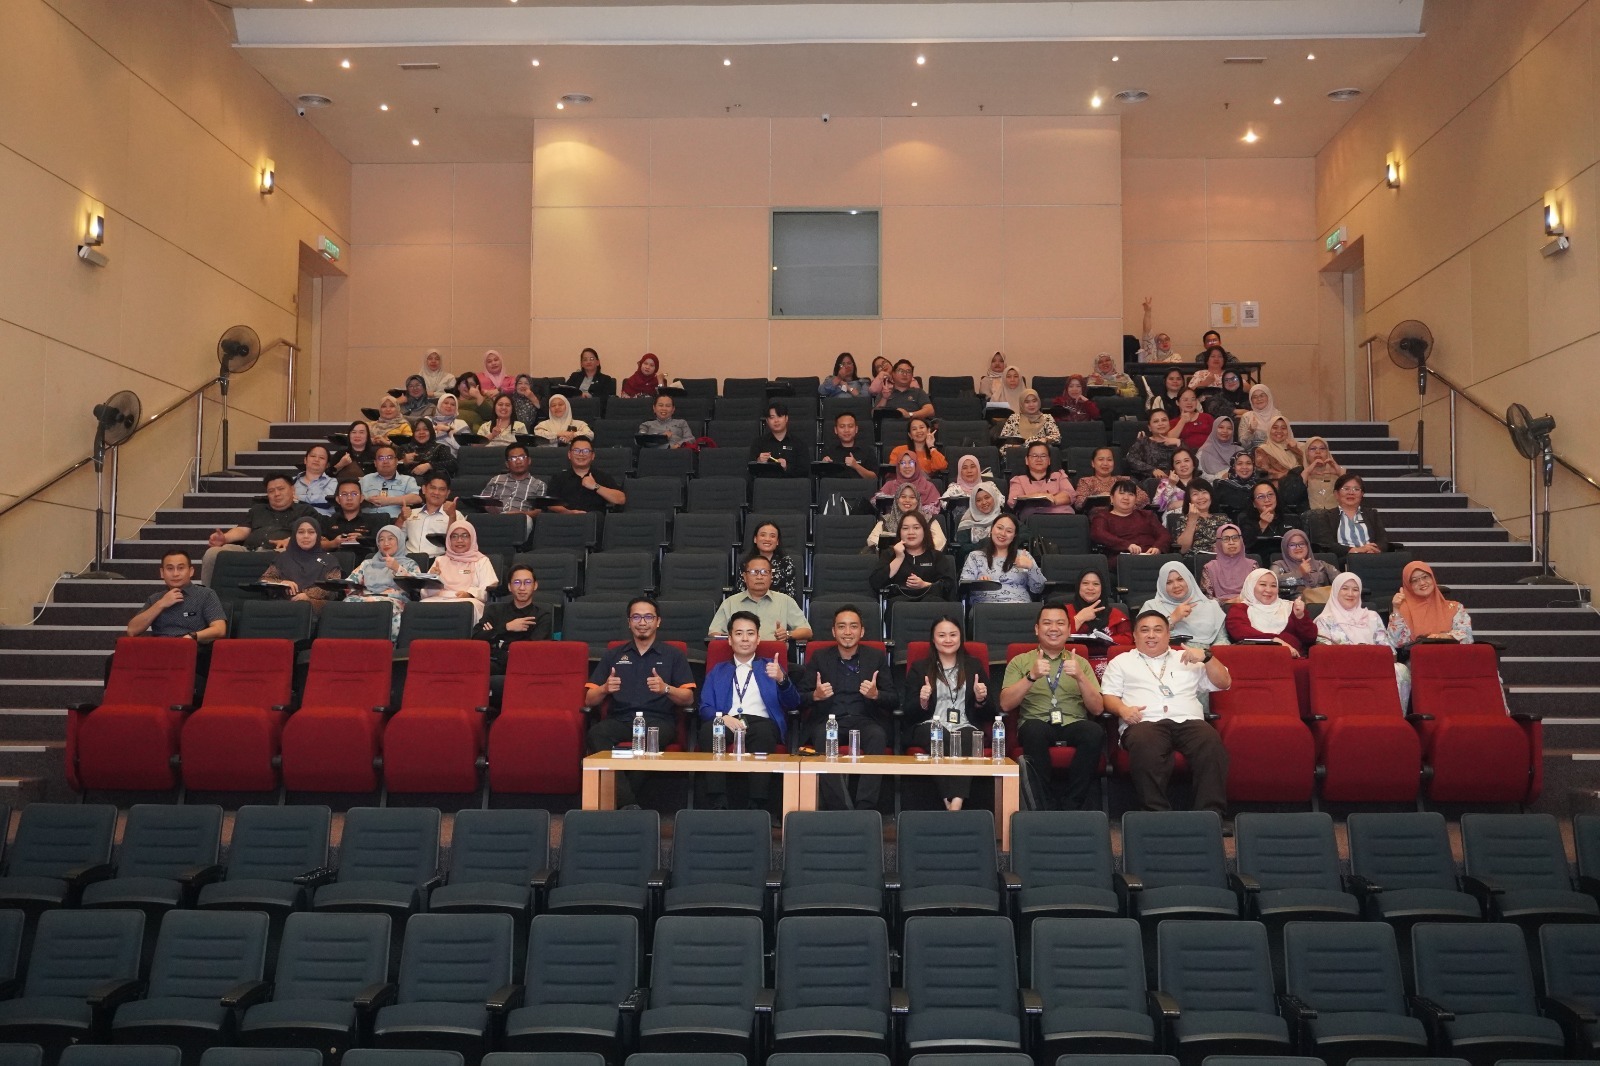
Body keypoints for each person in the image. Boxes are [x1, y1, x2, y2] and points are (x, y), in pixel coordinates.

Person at [1100, 611, 1232, 814]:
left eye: (1158, 630)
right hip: (1145, 722)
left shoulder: (1187, 657)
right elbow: (1108, 696)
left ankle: (1210, 815)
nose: (1151, 635)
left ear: (1168, 634)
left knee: (1210, 742)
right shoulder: (1121, 662)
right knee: (1145, 743)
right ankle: (1156, 814)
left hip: (1188, 721)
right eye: (1144, 630)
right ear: (1134, 635)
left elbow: (1224, 682)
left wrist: (1207, 657)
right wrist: (1122, 709)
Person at [582, 597, 696, 807]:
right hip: (621, 719)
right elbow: (590, 698)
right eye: (636, 617)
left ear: (658, 621)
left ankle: (620, 803)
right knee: (596, 733)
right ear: (629, 622)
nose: (642, 622)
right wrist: (604, 688)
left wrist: (666, 688)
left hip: (658, 721)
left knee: (648, 739)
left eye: (648, 617)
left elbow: (688, 698)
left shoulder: (673, 655)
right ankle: (628, 804)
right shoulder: (614, 655)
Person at [1000, 603, 1106, 810]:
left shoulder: (1080, 663)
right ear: (1037, 629)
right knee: (1034, 730)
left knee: (1094, 731)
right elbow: (1005, 703)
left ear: (1069, 629)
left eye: (1060, 623)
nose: (1054, 628)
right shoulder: (1020, 661)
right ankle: (1043, 806)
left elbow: (1097, 709)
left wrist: (1081, 677)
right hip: (1037, 722)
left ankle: (1072, 805)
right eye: (1047, 623)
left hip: (1073, 723)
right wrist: (1031, 677)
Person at [697, 611, 800, 813]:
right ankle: (718, 802)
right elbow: (704, 707)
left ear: (758, 638)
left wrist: (782, 680)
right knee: (710, 731)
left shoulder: (771, 667)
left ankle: (758, 804)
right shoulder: (718, 670)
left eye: (750, 633)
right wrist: (722, 718)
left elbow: (794, 703)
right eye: (739, 633)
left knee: (763, 733)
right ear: (730, 639)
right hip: (727, 720)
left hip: (761, 722)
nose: (745, 639)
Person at [797, 605, 896, 810]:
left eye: (853, 626)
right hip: (829, 720)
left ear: (862, 631)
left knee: (877, 736)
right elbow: (799, 698)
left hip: (865, 720)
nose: (848, 632)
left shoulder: (875, 657)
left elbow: (894, 699)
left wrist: (876, 695)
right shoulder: (820, 657)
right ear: (834, 631)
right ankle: (840, 807)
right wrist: (815, 696)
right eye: (842, 627)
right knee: (823, 736)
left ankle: (865, 807)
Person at [908, 616, 997, 810]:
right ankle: (954, 799)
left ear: (960, 638)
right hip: (930, 724)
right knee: (940, 735)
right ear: (933, 639)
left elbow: (992, 711)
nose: (948, 640)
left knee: (967, 736)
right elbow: (907, 712)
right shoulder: (920, 668)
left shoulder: (973, 666)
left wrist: (981, 699)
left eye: (953, 635)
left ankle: (954, 801)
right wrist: (922, 701)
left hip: (965, 723)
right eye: (942, 635)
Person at [201, 472, 321, 587]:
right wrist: (225, 538)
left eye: (281, 489)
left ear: (292, 489)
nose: (276, 494)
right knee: (213, 553)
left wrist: (292, 541)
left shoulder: (305, 511)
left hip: (279, 551)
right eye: (271, 491)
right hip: (249, 549)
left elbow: (314, 535)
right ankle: (207, 594)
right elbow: (243, 530)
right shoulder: (257, 509)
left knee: (287, 553)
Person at [1317, 572, 1411, 705]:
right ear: (1336, 591)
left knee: (1400, 669)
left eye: (1355, 590)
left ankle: (1395, 715)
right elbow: (1324, 655)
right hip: (1342, 668)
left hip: (1374, 665)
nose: (1350, 594)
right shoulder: (1324, 620)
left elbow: (1387, 649)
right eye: (1345, 588)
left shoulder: (1372, 616)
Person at [126, 549, 226, 643]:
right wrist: (161, 604)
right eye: (170, 569)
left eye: (181, 568)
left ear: (191, 571)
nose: (175, 574)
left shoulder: (206, 594)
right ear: (162, 573)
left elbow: (220, 629)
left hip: (192, 648)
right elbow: (132, 631)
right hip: (160, 648)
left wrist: (193, 636)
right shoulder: (155, 599)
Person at [344, 524, 422, 640]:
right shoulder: (367, 563)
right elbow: (350, 583)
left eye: (390, 538)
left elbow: (415, 587)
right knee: (346, 603)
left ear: (399, 541)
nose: (386, 543)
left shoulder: (410, 563)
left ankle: (388, 647)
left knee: (388, 607)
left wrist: (397, 568)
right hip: (366, 598)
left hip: (394, 600)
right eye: (381, 539)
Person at [710, 555, 811, 640]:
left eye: (764, 572)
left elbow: (807, 631)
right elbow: (713, 634)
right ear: (744, 577)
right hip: (739, 655)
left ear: (771, 576)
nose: (759, 577)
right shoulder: (730, 603)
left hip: (774, 655)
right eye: (754, 572)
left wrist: (788, 634)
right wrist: (734, 638)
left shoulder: (785, 601)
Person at [475, 563, 552, 675]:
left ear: (535, 585)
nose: (522, 588)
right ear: (509, 587)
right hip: (494, 665)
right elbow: (476, 638)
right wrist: (506, 627)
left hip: (525, 668)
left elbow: (530, 650)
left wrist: (498, 642)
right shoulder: (494, 610)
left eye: (527, 582)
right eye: (517, 582)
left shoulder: (542, 616)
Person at [1226, 568, 1318, 656]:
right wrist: (1274, 641)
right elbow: (1241, 633)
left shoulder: (1291, 607)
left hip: (1293, 659)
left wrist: (1300, 617)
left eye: (1273, 586)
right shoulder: (1239, 609)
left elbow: (1310, 638)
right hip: (1256, 659)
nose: (1269, 590)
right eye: (1263, 584)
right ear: (1251, 586)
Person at [259, 517, 342, 614]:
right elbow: (264, 580)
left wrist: (307, 595)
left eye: (311, 532)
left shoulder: (329, 560)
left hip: (314, 610)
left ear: (318, 535)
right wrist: (281, 583)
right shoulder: (283, 558)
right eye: (301, 532)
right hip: (282, 609)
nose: (306, 536)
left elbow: (333, 588)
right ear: (294, 535)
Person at [870, 511, 957, 601]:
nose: (911, 532)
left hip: (931, 604)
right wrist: (899, 558)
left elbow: (949, 587)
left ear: (924, 531)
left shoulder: (936, 556)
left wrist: (924, 585)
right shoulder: (890, 554)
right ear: (900, 532)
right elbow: (876, 583)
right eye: (905, 528)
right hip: (900, 604)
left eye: (916, 528)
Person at [422, 519, 497, 623]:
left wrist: (469, 593)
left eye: (465, 536)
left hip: (467, 600)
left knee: (468, 608)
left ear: (472, 538)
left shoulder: (481, 561)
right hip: (439, 598)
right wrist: (432, 578)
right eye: (454, 536)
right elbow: (424, 592)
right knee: (422, 605)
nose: (459, 540)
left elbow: (487, 587)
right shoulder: (440, 560)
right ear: (449, 540)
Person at [959, 513, 1045, 604]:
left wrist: (1031, 567)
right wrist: (978, 584)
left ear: (1014, 535)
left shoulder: (1024, 556)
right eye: (999, 528)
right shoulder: (975, 556)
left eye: (1009, 531)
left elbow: (1039, 589)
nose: (1003, 534)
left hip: (1020, 607)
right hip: (986, 608)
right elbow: (963, 588)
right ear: (991, 529)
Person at [1142, 561, 1228, 650]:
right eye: (1169, 582)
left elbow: (1222, 641)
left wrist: (1207, 655)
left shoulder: (1211, 606)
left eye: (1180, 579)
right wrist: (1172, 619)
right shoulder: (1151, 607)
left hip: (1203, 656)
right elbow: (1144, 638)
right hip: (1164, 656)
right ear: (1162, 586)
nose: (1176, 585)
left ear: (1189, 579)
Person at [1388, 561, 1474, 647]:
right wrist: (1396, 609)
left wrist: (1444, 637)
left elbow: (1467, 638)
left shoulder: (1454, 608)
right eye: (1415, 580)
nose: (1422, 583)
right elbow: (1396, 643)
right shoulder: (1402, 610)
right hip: (1416, 654)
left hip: (1449, 653)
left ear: (1432, 578)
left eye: (1425, 577)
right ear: (1408, 585)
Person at [1065, 570, 1133, 675]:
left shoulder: (1116, 614)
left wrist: (1106, 640)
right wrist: (1079, 618)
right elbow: (1056, 638)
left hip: (1111, 666)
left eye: (1096, 584)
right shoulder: (1064, 611)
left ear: (1102, 588)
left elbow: (1128, 641)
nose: (1090, 588)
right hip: (1072, 663)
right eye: (1085, 583)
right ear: (1078, 586)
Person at [1307, 473, 1389, 559]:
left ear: (1362, 494)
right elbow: (1327, 545)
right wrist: (1355, 550)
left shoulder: (1372, 514)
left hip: (1371, 559)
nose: (1351, 493)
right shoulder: (1326, 517)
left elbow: (1383, 540)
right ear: (1336, 494)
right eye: (1346, 489)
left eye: (1356, 489)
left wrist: (1374, 549)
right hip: (1344, 561)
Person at [1089, 480, 1171, 560]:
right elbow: (1098, 534)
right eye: (1121, 493)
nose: (1126, 498)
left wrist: (1158, 547)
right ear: (1112, 498)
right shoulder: (1103, 517)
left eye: (1131, 494)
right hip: (1122, 559)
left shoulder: (1146, 515)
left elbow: (1164, 534)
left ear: (1135, 499)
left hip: (1151, 557)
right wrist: (1126, 545)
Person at [547, 437, 626, 513]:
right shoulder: (559, 478)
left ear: (593, 456)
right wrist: (568, 512)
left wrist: (596, 486)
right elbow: (550, 504)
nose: (581, 454)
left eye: (586, 451)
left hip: (594, 520)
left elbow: (620, 499)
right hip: (566, 519)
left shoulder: (603, 476)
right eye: (576, 450)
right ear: (569, 455)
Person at [482, 443, 548, 531]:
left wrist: (521, 514)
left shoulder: (539, 485)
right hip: (495, 516)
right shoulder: (496, 479)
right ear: (507, 464)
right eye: (513, 458)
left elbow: (539, 511)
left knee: (526, 521)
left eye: (522, 457)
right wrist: (491, 508)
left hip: (521, 518)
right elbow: (483, 500)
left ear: (529, 460)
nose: (518, 462)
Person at [321, 481, 388, 566]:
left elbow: (382, 545)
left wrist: (362, 540)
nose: (349, 498)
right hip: (333, 565)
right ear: (337, 499)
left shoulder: (374, 520)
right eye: (344, 494)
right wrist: (333, 543)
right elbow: (317, 545)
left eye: (354, 494)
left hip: (365, 565)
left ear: (361, 498)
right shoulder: (329, 521)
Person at [868, 484, 949, 551]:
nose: (907, 500)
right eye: (903, 497)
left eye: (912, 497)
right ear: (896, 500)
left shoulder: (928, 519)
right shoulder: (886, 520)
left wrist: (916, 551)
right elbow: (872, 540)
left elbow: (940, 541)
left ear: (918, 501)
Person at [1007, 441, 1074, 515]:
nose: (1039, 459)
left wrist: (1052, 500)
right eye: (1034, 456)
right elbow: (1013, 501)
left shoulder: (1059, 476)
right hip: (1033, 518)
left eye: (1043, 456)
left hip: (1063, 516)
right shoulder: (1018, 480)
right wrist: (1037, 496)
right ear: (1026, 460)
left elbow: (1070, 494)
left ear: (1049, 460)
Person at [735, 521, 800, 599]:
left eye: (772, 536)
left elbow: (791, 595)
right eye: (763, 535)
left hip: (778, 605)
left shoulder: (786, 563)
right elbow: (740, 593)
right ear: (755, 539)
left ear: (777, 541)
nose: (767, 539)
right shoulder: (746, 563)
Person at [1271, 528, 1338, 601]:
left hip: (1322, 604)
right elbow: (1272, 583)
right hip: (1293, 605)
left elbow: (1342, 580)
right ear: (1285, 548)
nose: (1298, 548)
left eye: (1302, 544)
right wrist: (1299, 573)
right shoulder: (1279, 566)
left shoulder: (1321, 565)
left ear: (1307, 546)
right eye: (1292, 545)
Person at [401, 473, 457, 560]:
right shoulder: (410, 513)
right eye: (433, 488)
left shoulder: (455, 515)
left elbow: (456, 543)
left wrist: (452, 516)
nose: (436, 493)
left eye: (442, 489)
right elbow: (394, 538)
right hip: (409, 560)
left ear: (447, 493)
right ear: (424, 489)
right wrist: (401, 518)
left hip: (438, 561)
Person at [1073, 447, 1148, 510]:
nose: (1105, 463)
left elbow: (1144, 498)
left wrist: (1119, 502)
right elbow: (1079, 503)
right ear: (1093, 463)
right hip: (1100, 518)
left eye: (1109, 460)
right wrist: (1102, 498)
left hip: (1127, 516)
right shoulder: (1086, 481)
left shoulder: (1124, 480)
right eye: (1101, 459)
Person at [360, 443, 422, 519]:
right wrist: (367, 500)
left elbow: (416, 498)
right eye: (381, 458)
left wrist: (388, 501)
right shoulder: (365, 479)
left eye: (389, 457)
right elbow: (354, 498)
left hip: (395, 520)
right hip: (367, 520)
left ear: (396, 461)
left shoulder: (407, 480)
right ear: (375, 463)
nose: (385, 461)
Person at [875, 452, 942, 519]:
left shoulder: (928, 486)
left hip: (922, 522)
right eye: (902, 463)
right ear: (898, 466)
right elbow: (876, 503)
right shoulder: (890, 485)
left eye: (911, 463)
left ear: (916, 465)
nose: (907, 466)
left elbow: (936, 507)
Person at [750, 401, 808, 477]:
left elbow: (804, 472)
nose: (776, 420)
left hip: (791, 483)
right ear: (767, 421)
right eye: (772, 417)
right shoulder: (758, 443)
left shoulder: (799, 443)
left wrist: (786, 467)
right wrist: (758, 462)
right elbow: (751, 472)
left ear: (786, 418)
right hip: (766, 483)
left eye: (779, 416)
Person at [1200, 524, 1253, 604]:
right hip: (1219, 609)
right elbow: (1206, 598)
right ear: (1219, 543)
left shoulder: (1252, 566)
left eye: (1235, 538)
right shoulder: (1209, 568)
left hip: (1249, 606)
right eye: (1226, 539)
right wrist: (1229, 602)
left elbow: (1258, 594)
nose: (1231, 542)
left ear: (1241, 541)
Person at [819, 411, 879, 480]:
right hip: (836, 487)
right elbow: (821, 479)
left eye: (850, 426)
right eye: (842, 426)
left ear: (856, 429)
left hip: (860, 487)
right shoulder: (828, 451)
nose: (846, 430)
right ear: (835, 430)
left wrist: (856, 466)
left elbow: (874, 478)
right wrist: (824, 466)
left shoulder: (867, 451)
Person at [1173, 479, 1227, 555]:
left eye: (1204, 492)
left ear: (1211, 496)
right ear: (1189, 500)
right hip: (1194, 559)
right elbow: (1182, 549)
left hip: (1221, 558)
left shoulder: (1223, 519)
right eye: (1195, 494)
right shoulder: (1182, 520)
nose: (1201, 497)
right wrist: (1192, 520)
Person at [1241, 481, 1293, 555]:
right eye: (1261, 496)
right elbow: (1247, 548)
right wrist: (1262, 524)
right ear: (1254, 503)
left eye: (1270, 494)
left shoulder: (1291, 519)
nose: (1267, 500)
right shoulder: (1246, 522)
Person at [1125, 409, 1180, 479]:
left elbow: (1191, 461)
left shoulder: (1177, 442)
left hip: (1175, 480)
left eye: (1164, 420)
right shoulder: (1143, 442)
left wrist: (1179, 442)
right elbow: (1131, 459)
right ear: (1149, 427)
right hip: (1149, 481)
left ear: (1169, 424)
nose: (1161, 423)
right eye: (1156, 421)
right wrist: (1152, 470)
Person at [401, 417, 457, 483]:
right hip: (405, 485)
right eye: (417, 430)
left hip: (433, 486)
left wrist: (429, 466)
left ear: (431, 431)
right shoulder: (404, 448)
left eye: (426, 429)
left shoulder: (440, 448)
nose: (421, 432)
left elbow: (453, 464)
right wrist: (403, 462)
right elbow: (391, 469)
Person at [954, 482, 1004, 553]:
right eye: (978, 500)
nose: (984, 502)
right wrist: (986, 543)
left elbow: (1020, 538)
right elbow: (963, 549)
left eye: (987, 498)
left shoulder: (1004, 519)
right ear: (973, 503)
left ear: (994, 498)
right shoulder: (967, 522)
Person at [1212, 450, 1263, 519]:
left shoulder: (1261, 485)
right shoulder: (1221, 486)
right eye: (1239, 464)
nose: (1244, 467)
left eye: (1248, 463)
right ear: (1233, 466)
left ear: (1253, 466)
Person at [1300, 436, 1345, 511]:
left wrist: (1340, 473)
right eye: (1313, 449)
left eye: (1322, 448)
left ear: (1327, 453)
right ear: (1306, 453)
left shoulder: (1338, 471)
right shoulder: (1298, 472)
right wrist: (1307, 472)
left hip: (1335, 515)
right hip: (1308, 516)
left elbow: (1351, 492)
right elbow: (1294, 494)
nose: (1318, 452)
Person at [1151, 448, 1200, 515]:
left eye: (1186, 460)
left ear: (1194, 464)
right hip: (1173, 519)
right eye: (1178, 462)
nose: (1183, 465)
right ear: (1173, 468)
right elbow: (1157, 507)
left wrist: (1184, 503)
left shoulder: (1201, 483)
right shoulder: (1165, 483)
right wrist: (1171, 485)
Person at [294, 444, 338, 515]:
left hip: (321, 519)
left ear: (327, 465)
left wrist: (298, 498)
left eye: (321, 458)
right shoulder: (292, 481)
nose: (316, 460)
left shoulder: (332, 482)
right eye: (313, 456)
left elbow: (326, 500)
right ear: (305, 460)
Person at [1236, 384, 1282, 452]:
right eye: (1255, 397)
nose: (1259, 399)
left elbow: (1284, 441)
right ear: (1251, 400)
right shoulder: (1247, 417)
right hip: (1252, 454)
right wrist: (1250, 431)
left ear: (1268, 397)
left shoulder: (1277, 415)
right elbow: (1243, 445)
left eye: (1262, 395)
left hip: (1275, 453)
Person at [1137, 297, 1182, 363]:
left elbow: (1171, 366)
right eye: (1160, 341)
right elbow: (1147, 332)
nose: (1164, 342)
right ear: (1155, 344)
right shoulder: (1151, 354)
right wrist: (1148, 312)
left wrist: (1154, 363)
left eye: (1166, 339)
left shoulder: (1176, 356)